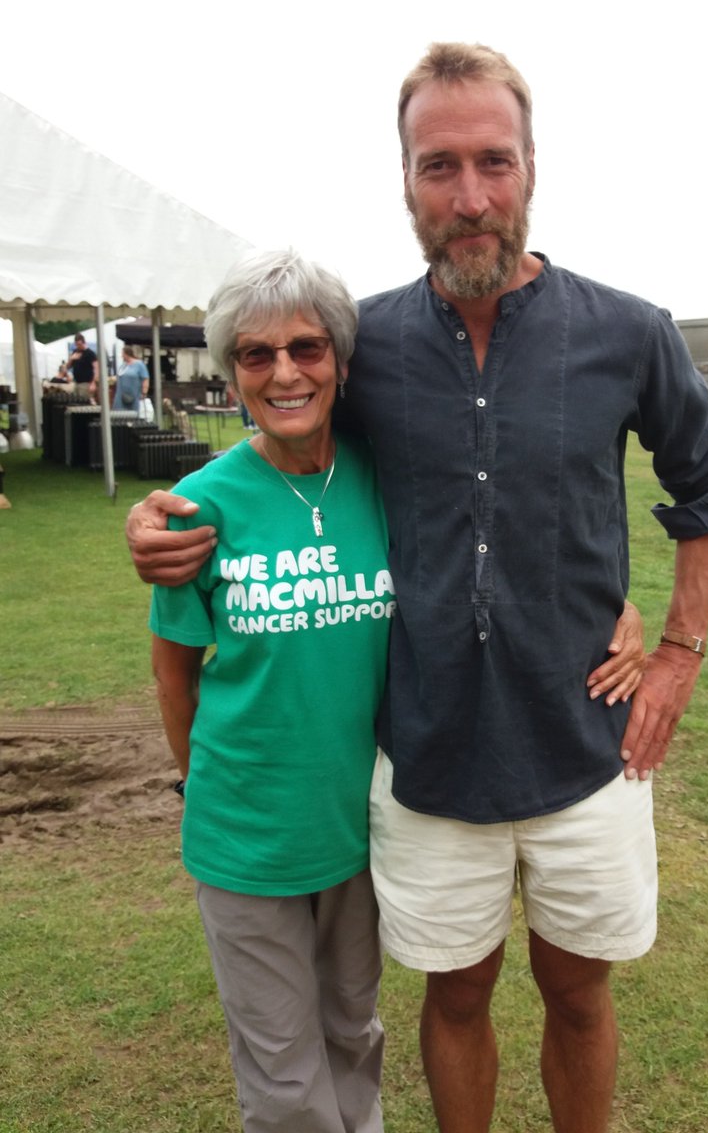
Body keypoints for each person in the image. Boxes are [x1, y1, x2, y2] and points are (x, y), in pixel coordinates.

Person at [127, 42, 708, 1133]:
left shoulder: (627, 331)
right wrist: (163, 519)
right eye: (439, 167)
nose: (470, 198)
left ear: (532, 168)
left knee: (578, 992)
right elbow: (282, 450)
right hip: (428, 756)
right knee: (454, 996)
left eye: (493, 163)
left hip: (587, 745)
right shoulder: (369, 346)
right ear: (405, 181)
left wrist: (679, 650)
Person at [151, 250, 397, 1133]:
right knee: (286, 1078)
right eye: (257, 355)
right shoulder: (196, 507)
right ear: (231, 374)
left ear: (339, 358)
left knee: (352, 1034)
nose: (286, 372)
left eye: (307, 347)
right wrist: (204, 789)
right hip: (247, 837)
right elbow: (173, 674)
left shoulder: (387, 477)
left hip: (360, 827)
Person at [112, 344, 150, 412]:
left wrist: (144, 392)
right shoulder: (123, 365)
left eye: (123, 354)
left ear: (127, 354)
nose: (122, 356)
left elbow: (145, 379)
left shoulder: (139, 364)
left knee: (132, 415)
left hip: (133, 396)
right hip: (120, 395)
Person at [66, 332, 98, 399]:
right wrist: (71, 359)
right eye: (76, 344)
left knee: (84, 401)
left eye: (79, 344)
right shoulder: (75, 352)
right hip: (76, 382)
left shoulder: (90, 354)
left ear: (83, 342)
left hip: (86, 383)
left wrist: (93, 383)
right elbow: (67, 367)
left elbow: (96, 369)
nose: (78, 346)